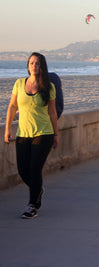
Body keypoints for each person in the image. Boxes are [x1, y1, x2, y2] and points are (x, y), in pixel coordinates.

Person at [4, 52, 59, 219]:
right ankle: (38, 190)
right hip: (23, 133)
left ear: (42, 66)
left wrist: (56, 134)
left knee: (35, 169)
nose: (34, 66)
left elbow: (52, 112)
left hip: (43, 133)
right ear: (28, 66)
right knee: (22, 169)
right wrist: (7, 129)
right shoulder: (19, 84)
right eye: (31, 63)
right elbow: (12, 107)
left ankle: (32, 205)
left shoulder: (49, 87)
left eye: (37, 63)